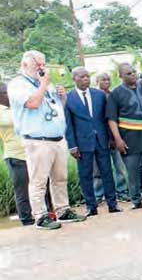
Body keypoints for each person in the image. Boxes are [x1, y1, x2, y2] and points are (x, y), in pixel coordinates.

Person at [7, 50, 85, 229]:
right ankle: (40, 216)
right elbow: (32, 103)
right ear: (25, 65)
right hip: (37, 140)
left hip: (57, 138)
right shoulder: (18, 84)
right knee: (39, 180)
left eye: (43, 64)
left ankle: (63, 210)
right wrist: (43, 85)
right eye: (38, 65)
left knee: (60, 177)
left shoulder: (46, 84)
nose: (42, 68)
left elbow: (55, 110)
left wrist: (62, 97)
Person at [106, 62, 142, 209]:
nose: (132, 75)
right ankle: (136, 200)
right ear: (120, 76)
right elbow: (112, 119)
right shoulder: (115, 94)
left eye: (133, 72)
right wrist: (118, 139)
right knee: (132, 171)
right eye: (128, 73)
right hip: (129, 136)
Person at [64, 67, 121, 216]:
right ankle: (91, 206)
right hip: (82, 143)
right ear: (74, 79)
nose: (86, 79)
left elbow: (105, 118)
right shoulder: (68, 98)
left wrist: (111, 138)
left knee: (107, 172)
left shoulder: (99, 95)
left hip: (101, 140)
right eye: (82, 77)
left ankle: (112, 204)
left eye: (87, 76)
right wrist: (72, 145)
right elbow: (68, 124)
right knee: (85, 175)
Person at [0, 82, 35, 225]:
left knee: (39, 185)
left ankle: (43, 215)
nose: (7, 95)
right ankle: (26, 219)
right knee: (22, 189)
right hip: (15, 155)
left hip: (32, 151)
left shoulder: (18, 106)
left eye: (8, 91)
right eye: (4, 93)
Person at [93, 72, 129, 202]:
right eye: (103, 79)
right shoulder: (93, 96)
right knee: (97, 169)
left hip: (115, 137)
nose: (106, 82)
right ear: (97, 81)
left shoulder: (113, 95)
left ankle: (122, 191)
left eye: (108, 79)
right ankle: (98, 194)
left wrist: (116, 137)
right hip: (100, 138)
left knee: (119, 167)